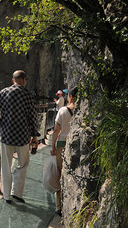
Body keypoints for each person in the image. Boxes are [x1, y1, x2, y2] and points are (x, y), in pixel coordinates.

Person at [0, 70, 38, 204]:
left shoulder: (4, 92)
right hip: (22, 137)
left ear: (13, 80)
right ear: (24, 80)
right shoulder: (28, 95)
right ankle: (17, 193)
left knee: (6, 166)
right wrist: (34, 136)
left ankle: (7, 196)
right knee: (23, 164)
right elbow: (33, 117)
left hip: (7, 135)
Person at [50, 86, 77, 216]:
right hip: (75, 145)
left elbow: (56, 130)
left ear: (70, 97)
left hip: (61, 144)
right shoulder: (81, 112)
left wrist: (52, 146)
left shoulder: (62, 111)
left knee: (59, 174)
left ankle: (59, 206)